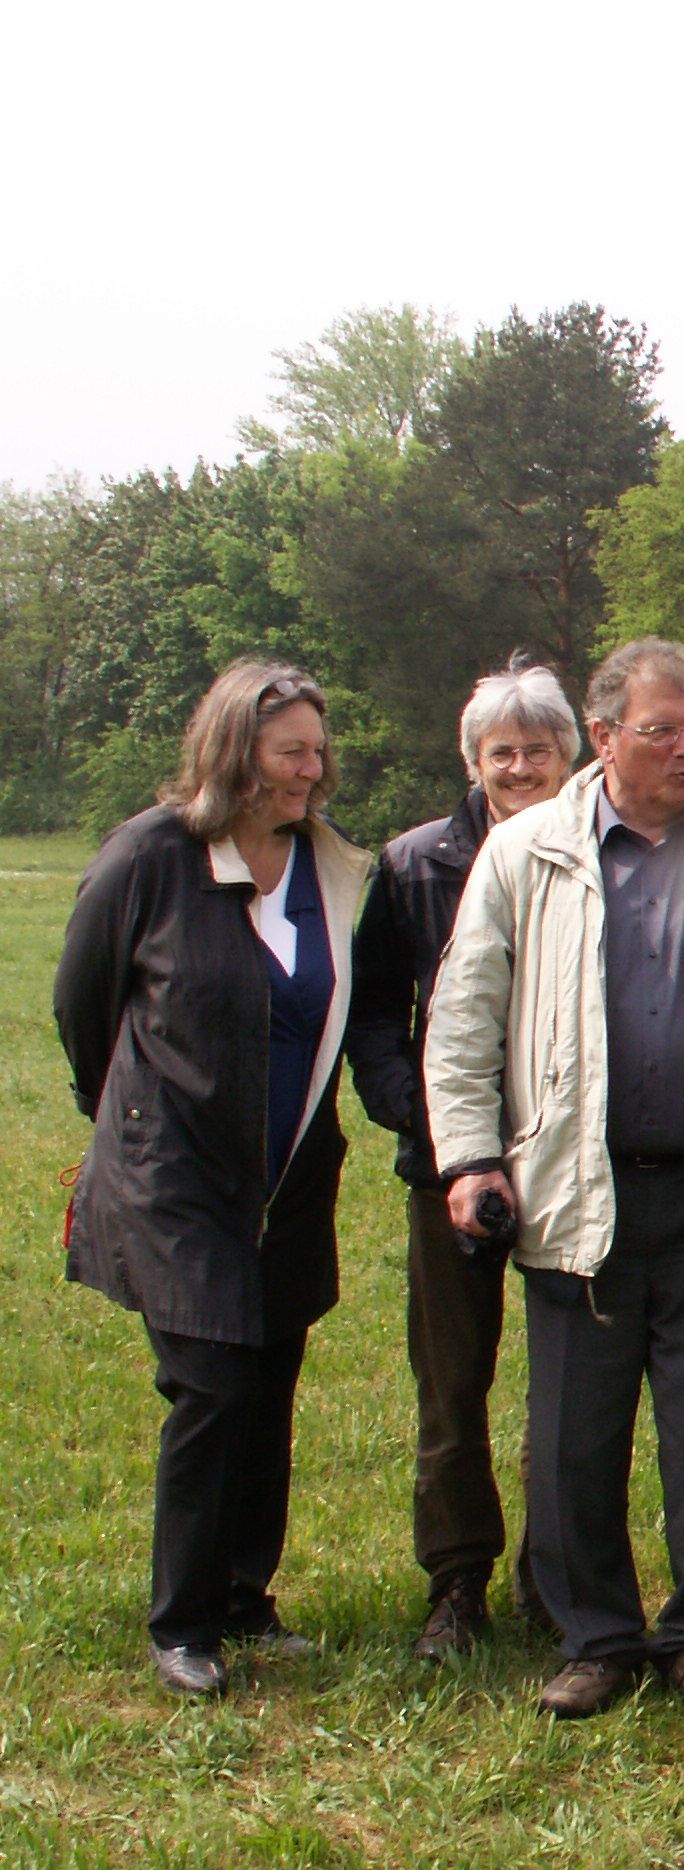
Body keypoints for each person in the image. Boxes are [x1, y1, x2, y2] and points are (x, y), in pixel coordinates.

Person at [424, 637, 684, 1728]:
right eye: (664, 732)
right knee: (575, 1429)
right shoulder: (526, 854)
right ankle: (596, 1636)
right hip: (573, 1191)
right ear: (605, 737)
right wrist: (470, 1156)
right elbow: (463, 1017)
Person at [56, 660, 371, 1697]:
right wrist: (135, 1116)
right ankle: (181, 1621)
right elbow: (83, 1003)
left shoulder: (325, 866)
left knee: (268, 1381)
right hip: (175, 1175)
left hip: (286, 1181)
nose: (312, 771)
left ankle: (244, 1597)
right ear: (235, 751)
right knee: (211, 1383)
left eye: (319, 753)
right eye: (293, 752)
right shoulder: (152, 857)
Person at [347, 658, 578, 1660]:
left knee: (572, 1386)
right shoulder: (412, 867)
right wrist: (436, 1134)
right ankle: (455, 1582)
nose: (521, 767)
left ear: (571, 753)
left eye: (539, 749)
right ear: (471, 760)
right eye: (503, 753)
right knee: (452, 1385)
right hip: (450, 1168)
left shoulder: (607, 851)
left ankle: (558, 1575)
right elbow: (372, 1018)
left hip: (574, 1163)